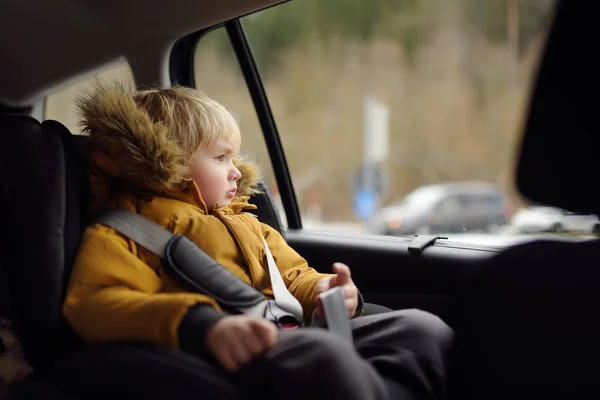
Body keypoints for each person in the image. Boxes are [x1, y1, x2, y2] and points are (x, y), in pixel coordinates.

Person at [63, 83, 453, 400]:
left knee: (421, 329)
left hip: (290, 334)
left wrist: (323, 290)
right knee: (324, 358)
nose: (236, 172)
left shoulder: (250, 225)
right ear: (166, 162)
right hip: (220, 355)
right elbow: (96, 302)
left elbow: (292, 276)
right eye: (221, 159)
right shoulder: (125, 230)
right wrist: (202, 326)